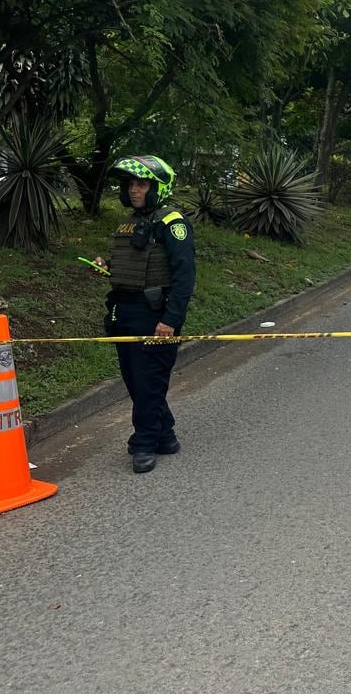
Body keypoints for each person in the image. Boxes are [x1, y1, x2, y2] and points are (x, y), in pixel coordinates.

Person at [93, 155, 196, 474]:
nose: (134, 190)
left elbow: (184, 277)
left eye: (141, 183)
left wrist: (170, 320)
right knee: (136, 380)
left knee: (149, 381)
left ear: (157, 187)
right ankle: (164, 435)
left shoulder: (172, 223)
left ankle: (144, 443)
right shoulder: (131, 221)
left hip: (155, 313)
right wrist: (108, 267)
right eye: (131, 184)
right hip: (125, 309)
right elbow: (134, 262)